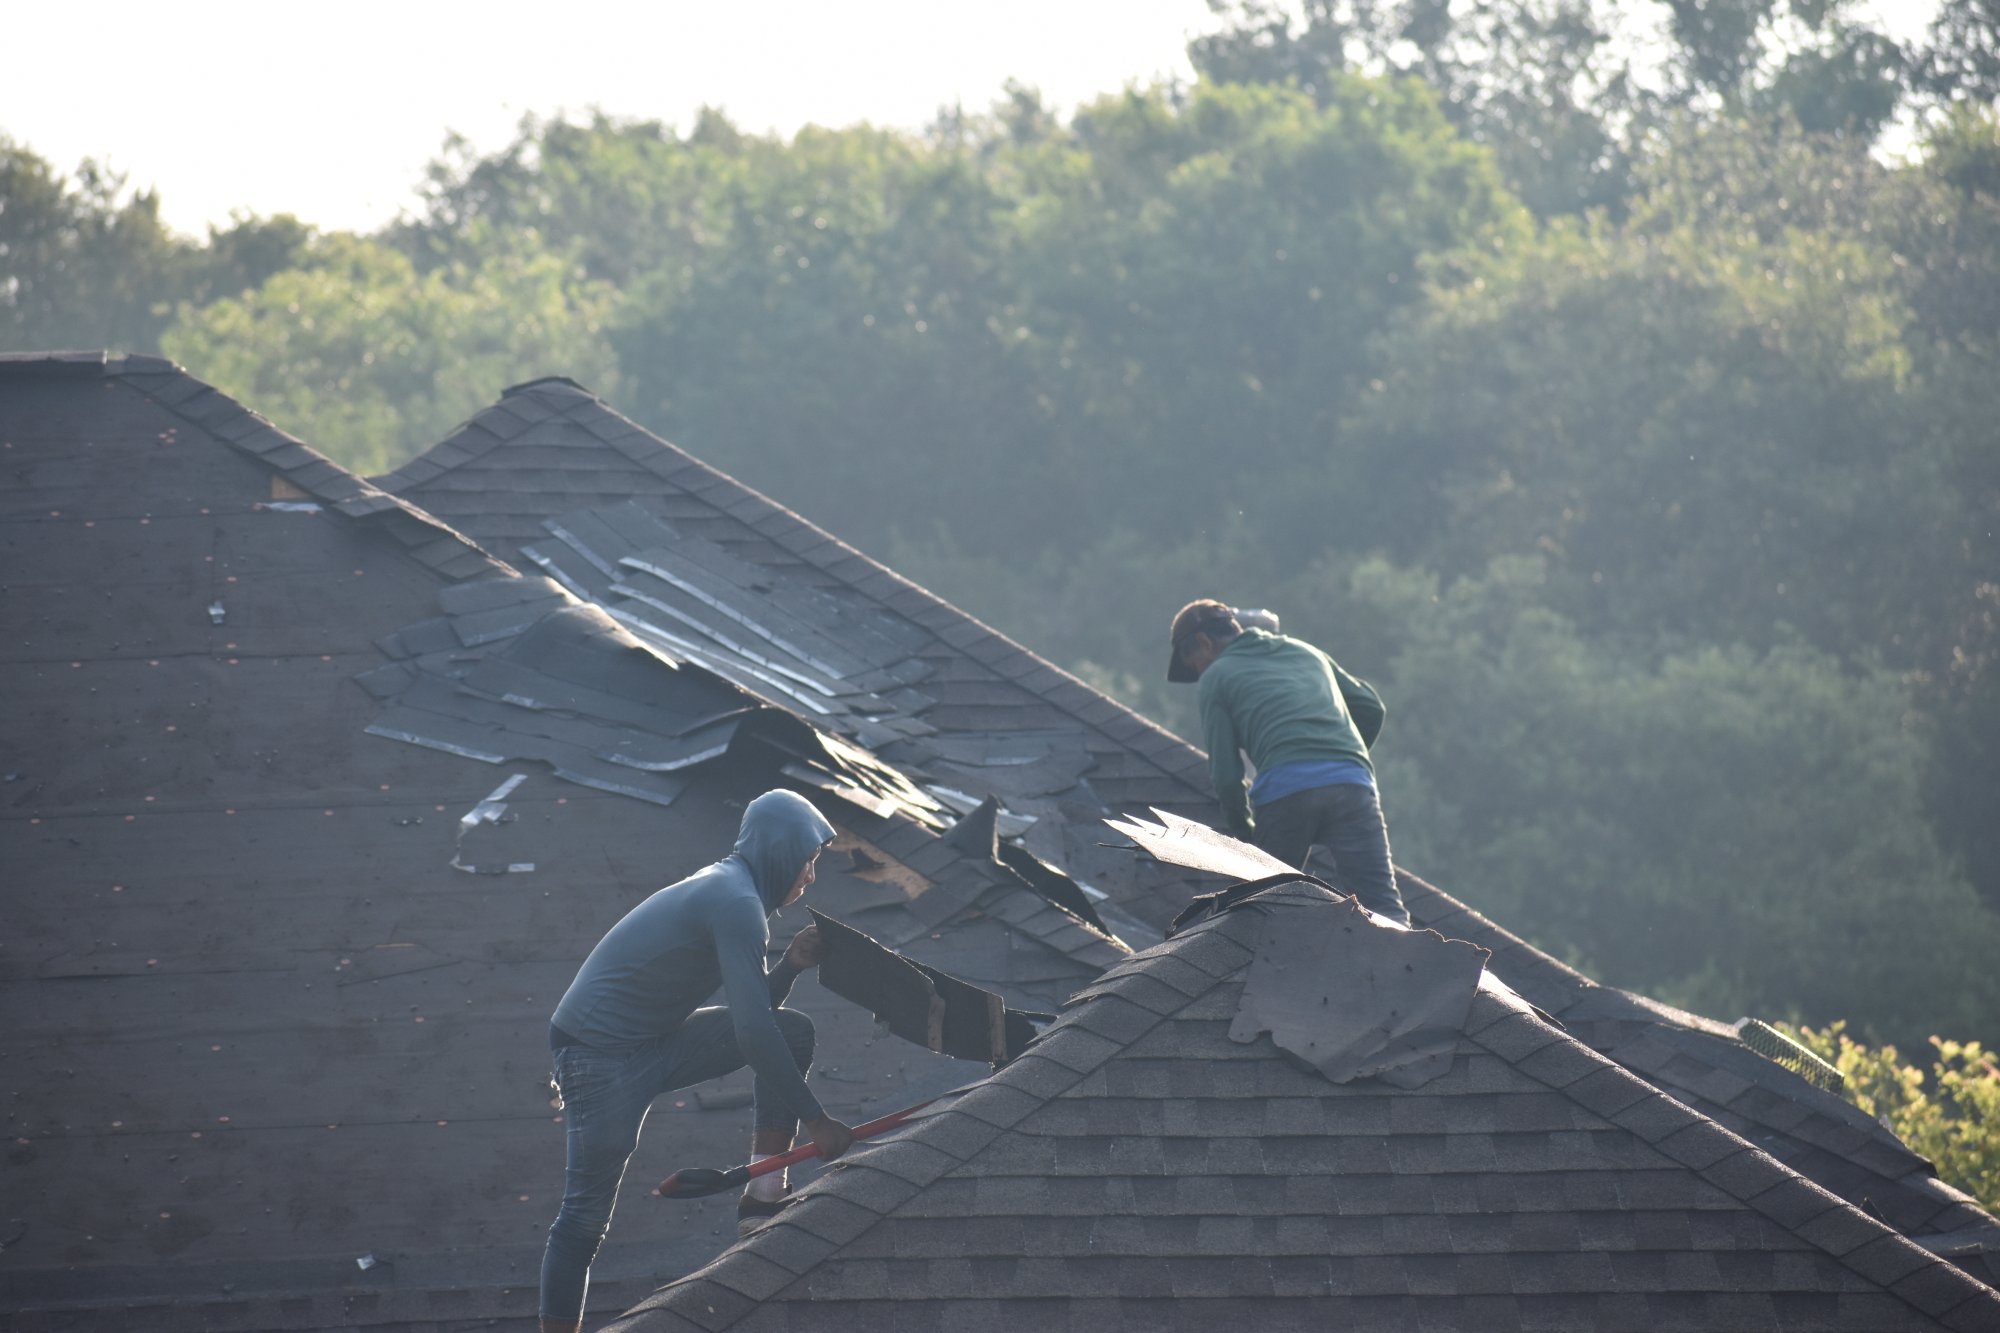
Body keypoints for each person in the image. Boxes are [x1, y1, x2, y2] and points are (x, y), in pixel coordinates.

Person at [538, 789, 854, 1333]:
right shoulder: (736, 903)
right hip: (596, 1056)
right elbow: (751, 1031)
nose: (812, 877)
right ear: (781, 851)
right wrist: (816, 1120)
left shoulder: (736, 891)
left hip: (654, 1041)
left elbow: (754, 1017)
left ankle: (763, 1194)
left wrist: (792, 965)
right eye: (809, 861)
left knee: (792, 1031)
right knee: (583, 1222)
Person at [1167, 599, 1410, 925]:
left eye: (1193, 663)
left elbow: (1226, 776)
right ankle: (1409, 969)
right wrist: (1336, 761)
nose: (1198, 672)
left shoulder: (1217, 677)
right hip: (1352, 785)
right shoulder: (1305, 652)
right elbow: (1370, 707)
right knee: (1384, 909)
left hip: (1285, 793)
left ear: (1204, 643)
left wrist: (1244, 839)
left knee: (1260, 907)